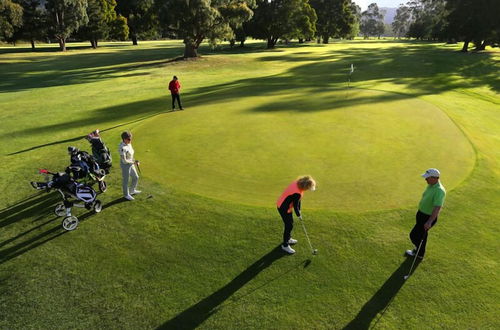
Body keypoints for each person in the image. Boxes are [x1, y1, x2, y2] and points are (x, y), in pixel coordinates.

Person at [406, 168, 446, 259]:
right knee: (420, 235)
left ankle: (419, 252)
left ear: (434, 178)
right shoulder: (431, 185)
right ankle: (419, 253)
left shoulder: (439, 190)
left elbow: (437, 207)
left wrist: (429, 221)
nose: (425, 179)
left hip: (427, 217)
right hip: (422, 214)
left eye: (427, 178)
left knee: (414, 235)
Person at [276, 176, 316, 254]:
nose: (308, 189)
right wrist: (299, 215)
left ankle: (288, 238)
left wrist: (299, 211)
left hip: (284, 204)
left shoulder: (297, 184)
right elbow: (295, 205)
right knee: (289, 225)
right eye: (308, 188)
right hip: (284, 208)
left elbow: (298, 201)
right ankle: (285, 245)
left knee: (290, 223)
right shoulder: (297, 192)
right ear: (305, 185)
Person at [118, 131, 141, 201]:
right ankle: (126, 195)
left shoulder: (129, 144)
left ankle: (132, 190)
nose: (130, 140)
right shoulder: (122, 147)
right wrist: (133, 162)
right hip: (125, 165)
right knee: (126, 180)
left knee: (136, 177)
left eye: (130, 139)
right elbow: (124, 160)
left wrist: (134, 161)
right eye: (128, 139)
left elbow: (130, 155)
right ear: (124, 139)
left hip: (131, 163)